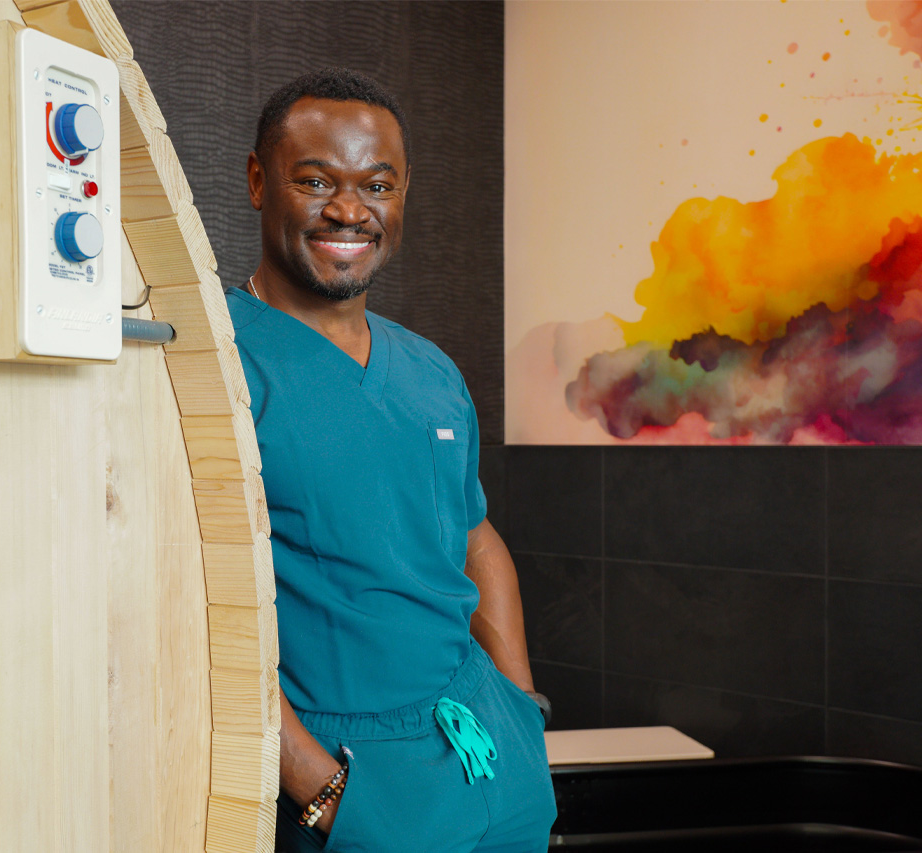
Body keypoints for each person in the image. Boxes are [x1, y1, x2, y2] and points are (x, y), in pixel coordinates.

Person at [226, 67, 556, 853]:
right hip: (350, 772)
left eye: (377, 184)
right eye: (315, 180)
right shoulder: (216, 367)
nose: (349, 209)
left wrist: (520, 705)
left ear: (404, 193)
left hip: (487, 751)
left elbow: (475, 538)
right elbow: (178, 609)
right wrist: (326, 790)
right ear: (256, 181)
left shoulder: (432, 370)